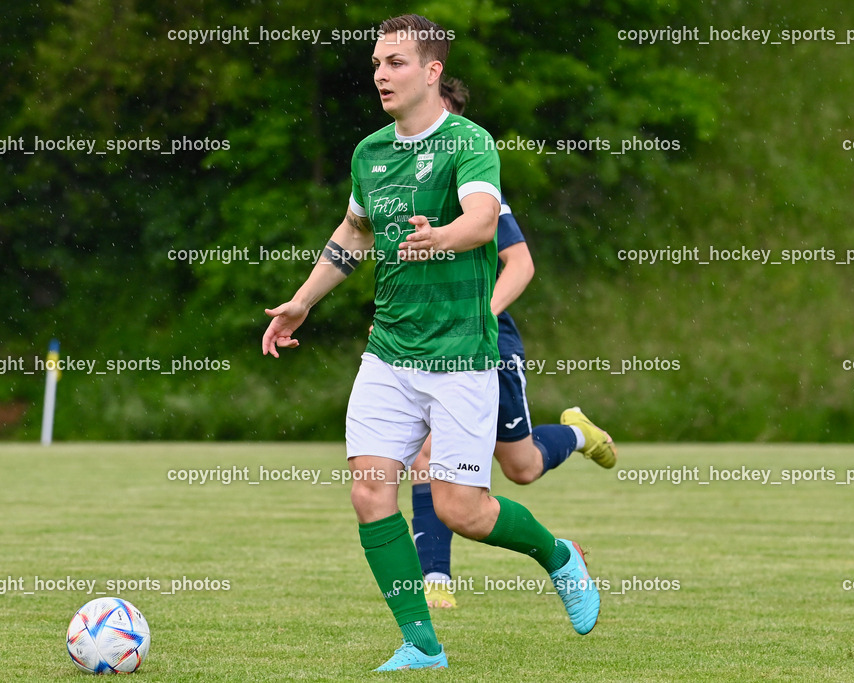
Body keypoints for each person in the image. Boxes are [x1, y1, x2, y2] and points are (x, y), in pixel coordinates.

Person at [262, 14, 600, 671]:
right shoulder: (370, 153)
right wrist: (304, 300)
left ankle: (559, 556)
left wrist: (440, 236)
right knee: (369, 490)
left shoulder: (469, 143)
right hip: (388, 352)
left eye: (395, 63)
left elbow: (480, 219)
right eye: (377, 64)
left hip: (459, 358)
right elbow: (354, 233)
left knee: (462, 510)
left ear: (432, 70)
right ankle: (422, 643)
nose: (381, 74)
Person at [410, 77, 617, 611]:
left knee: (520, 468)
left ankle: (574, 434)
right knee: (425, 456)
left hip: (485, 345)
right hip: (423, 343)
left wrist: (478, 317)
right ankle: (434, 578)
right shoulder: (399, 181)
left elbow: (520, 264)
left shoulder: (480, 191)